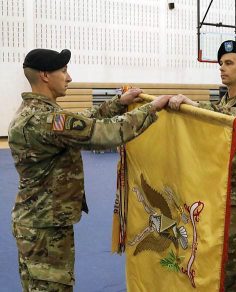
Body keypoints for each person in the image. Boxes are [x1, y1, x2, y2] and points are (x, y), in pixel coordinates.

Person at [9, 48, 172, 291]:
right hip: (45, 230)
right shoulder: (45, 120)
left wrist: (118, 103)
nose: (69, 77)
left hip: (39, 223)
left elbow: (82, 120)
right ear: (44, 75)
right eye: (63, 71)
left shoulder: (35, 113)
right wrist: (152, 108)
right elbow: (103, 133)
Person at [168, 40, 236, 291]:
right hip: (213, 200)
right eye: (221, 64)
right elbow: (211, 112)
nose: (222, 68)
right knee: (210, 269)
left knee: (234, 275)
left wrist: (195, 107)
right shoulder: (221, 105)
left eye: (229, 63)